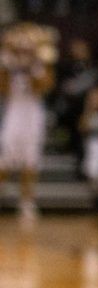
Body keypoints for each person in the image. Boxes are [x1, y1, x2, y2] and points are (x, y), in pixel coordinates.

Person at [0, 23, 57, 224]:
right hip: (13, 112)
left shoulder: (40, 63)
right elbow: (4, 90)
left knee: (30, 161)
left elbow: (43, 88)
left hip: (33, 115)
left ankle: (26, 202)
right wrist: (10, 66)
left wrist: (32, 66)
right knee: (5, 159)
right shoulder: (7, 62)